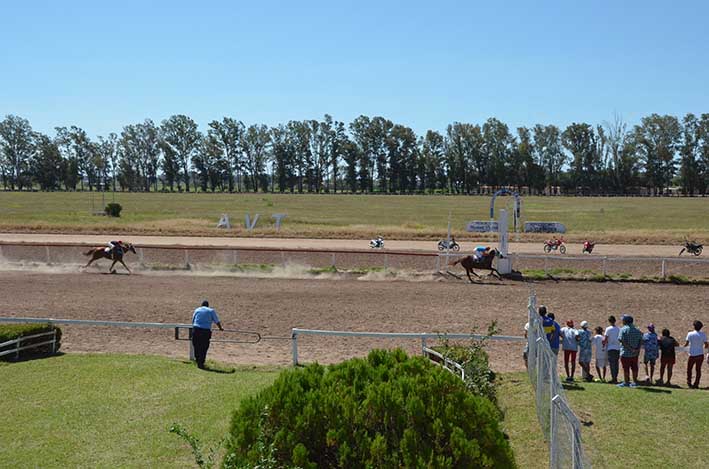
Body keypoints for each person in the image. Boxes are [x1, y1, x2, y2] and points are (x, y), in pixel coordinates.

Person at [191, 300, 224, 369]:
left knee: (196, 345)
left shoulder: (197, 310)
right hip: (205, 331)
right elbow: (217, 321)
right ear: (208, 305)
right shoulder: (211, 311)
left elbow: (193, 320)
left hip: (196, 329)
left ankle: (198, 361)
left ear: (201, 305)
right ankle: (201, 362)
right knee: (204, 346)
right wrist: (220, 328)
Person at [617, 314, 642, 388]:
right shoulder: (637, 330)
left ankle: (626, 382)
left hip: (625, 353)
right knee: (634, 368)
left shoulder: (623, 329)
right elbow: (640, 340)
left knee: (626, 368)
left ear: (625, 321)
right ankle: (635, 381)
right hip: (635, 354)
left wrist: (630, 348)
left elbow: (621, 340)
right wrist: (637, 349)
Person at [684, 320, 708, 389]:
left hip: (692, 354)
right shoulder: (703, 334)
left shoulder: (690, 334)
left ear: (694, 326)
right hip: (700, 354)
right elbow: (706, 345)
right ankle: (696, 384)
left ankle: (689, 382)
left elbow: (686, 344)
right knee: (698, 370)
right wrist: (702, 348)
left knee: (689, 369)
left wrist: (682, 348)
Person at [604, 315, 621, 384]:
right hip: (617, 348)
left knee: (612, 364)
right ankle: (615, 377)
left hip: (611, 348)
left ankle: (613, 378)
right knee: (616, 363)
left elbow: (605, 339)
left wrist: (603, 345)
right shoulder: (619, 329)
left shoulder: (608, 329)